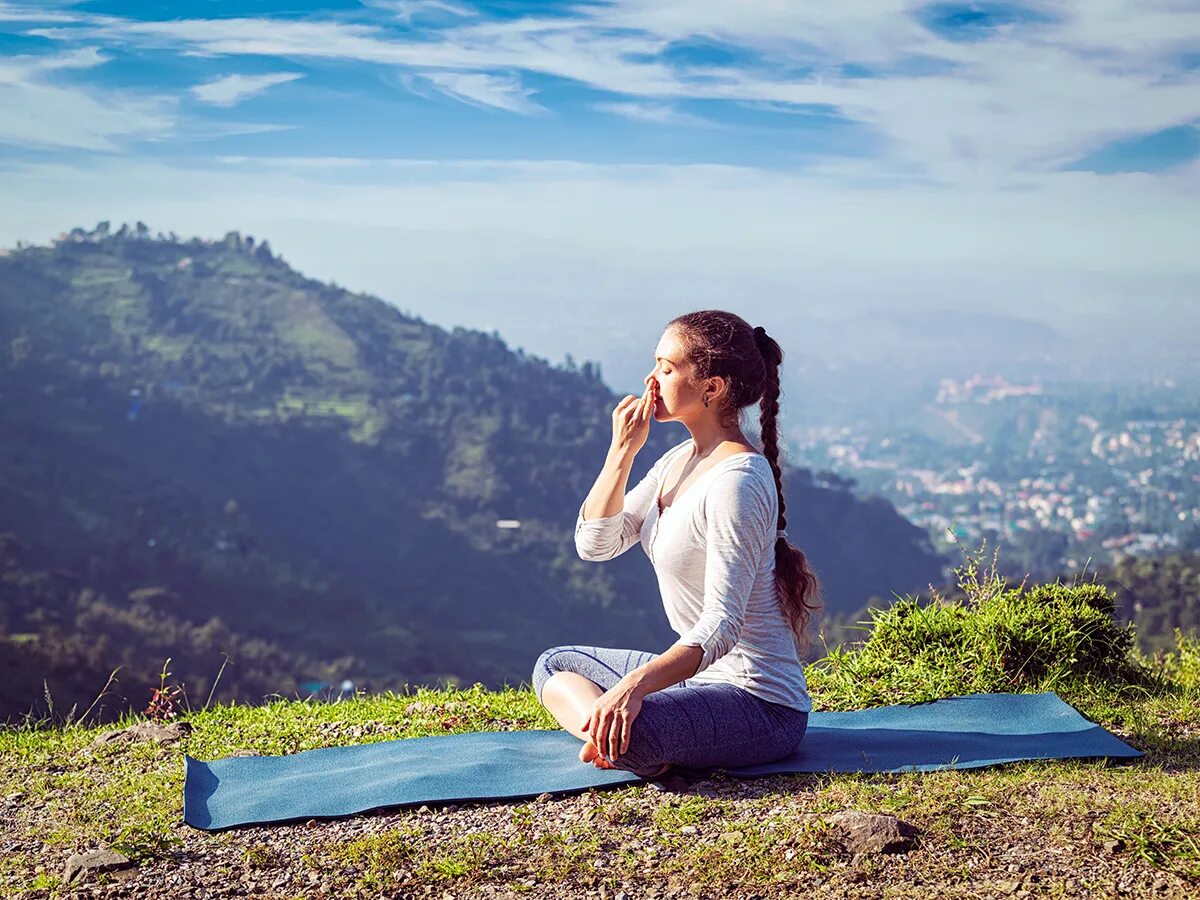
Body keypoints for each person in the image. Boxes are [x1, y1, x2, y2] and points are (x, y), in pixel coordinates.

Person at [531, 310, 823, 780]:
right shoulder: (677, 461)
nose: (651, 379)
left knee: (635, 724)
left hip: (759, 706)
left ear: (712, 388)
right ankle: (614, 740)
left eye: (667, 368)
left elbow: (720, 626)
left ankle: (626, 741)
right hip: (702, 681)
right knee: (556, 665)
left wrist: (634, 688)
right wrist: (621, 453)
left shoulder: (738, 482)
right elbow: (596, 544)